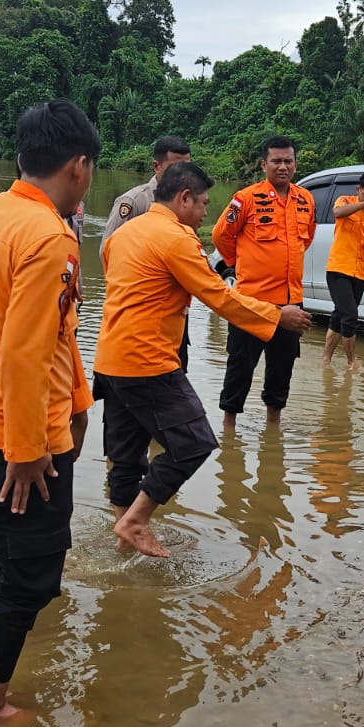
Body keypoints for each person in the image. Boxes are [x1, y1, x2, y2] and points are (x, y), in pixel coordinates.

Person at [0, 99, 99, 721]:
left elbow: (7, 330)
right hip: (16, 442)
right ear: (80, 166)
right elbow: (26, 353)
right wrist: (29, 452)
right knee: (28, 579)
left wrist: (79, 404)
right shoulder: (50, 236)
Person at [96, 162, 313, 557]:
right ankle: (137, 520)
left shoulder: (124, 234)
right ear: (183, 199)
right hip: (149, 361)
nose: (204, 214)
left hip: (110, 359)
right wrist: (276, 315)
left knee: (125, 456)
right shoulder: (176, 239)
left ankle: (122, 547)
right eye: (202, 204)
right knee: (195, 442)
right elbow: (218, 295)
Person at [210, 135, 316, 430]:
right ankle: (229, 430)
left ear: (295, 163)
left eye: (288, 161)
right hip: (250, 303)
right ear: (264, 164)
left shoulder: (305, 200)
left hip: (291, 302)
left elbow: (305, 240)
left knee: (282, 370)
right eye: (276, 161)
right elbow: (221, 236)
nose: (283, 167)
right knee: (240, 367)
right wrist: (240, 264)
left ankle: (273, 429)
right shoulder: (246, 198)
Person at [322, 172, 364, 370]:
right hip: (338, 269)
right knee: (350, 316)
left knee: (339, 315)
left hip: (359, 273)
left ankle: (326, 359)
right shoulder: (345, 201)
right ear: (358, 190)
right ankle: (351, 362)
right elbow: (338, 213)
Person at [105, 135, 192, 241]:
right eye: (175, 167)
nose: (182, 173)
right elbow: (108, 247)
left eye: (187, 167)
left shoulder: (189, 202)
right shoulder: (134, 202)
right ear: (156, 166)